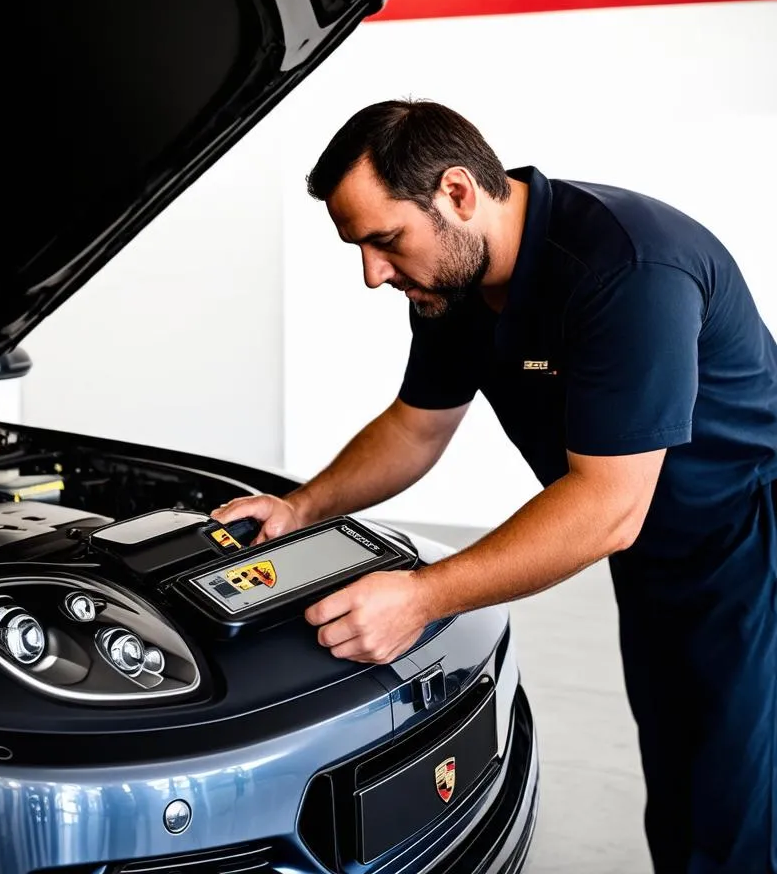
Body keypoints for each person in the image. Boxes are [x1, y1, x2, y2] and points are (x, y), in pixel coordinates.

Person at [210, 99, 777, 874]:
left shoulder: (628, 268)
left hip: (750, 539)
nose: (374, 274)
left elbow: (608, 507)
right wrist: (300, 505)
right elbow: (416, 427)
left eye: (385, 241)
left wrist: (420, 595)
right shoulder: (451, 285)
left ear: (457, 194)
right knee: (678, 772)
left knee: (737, 801)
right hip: (655, 550)